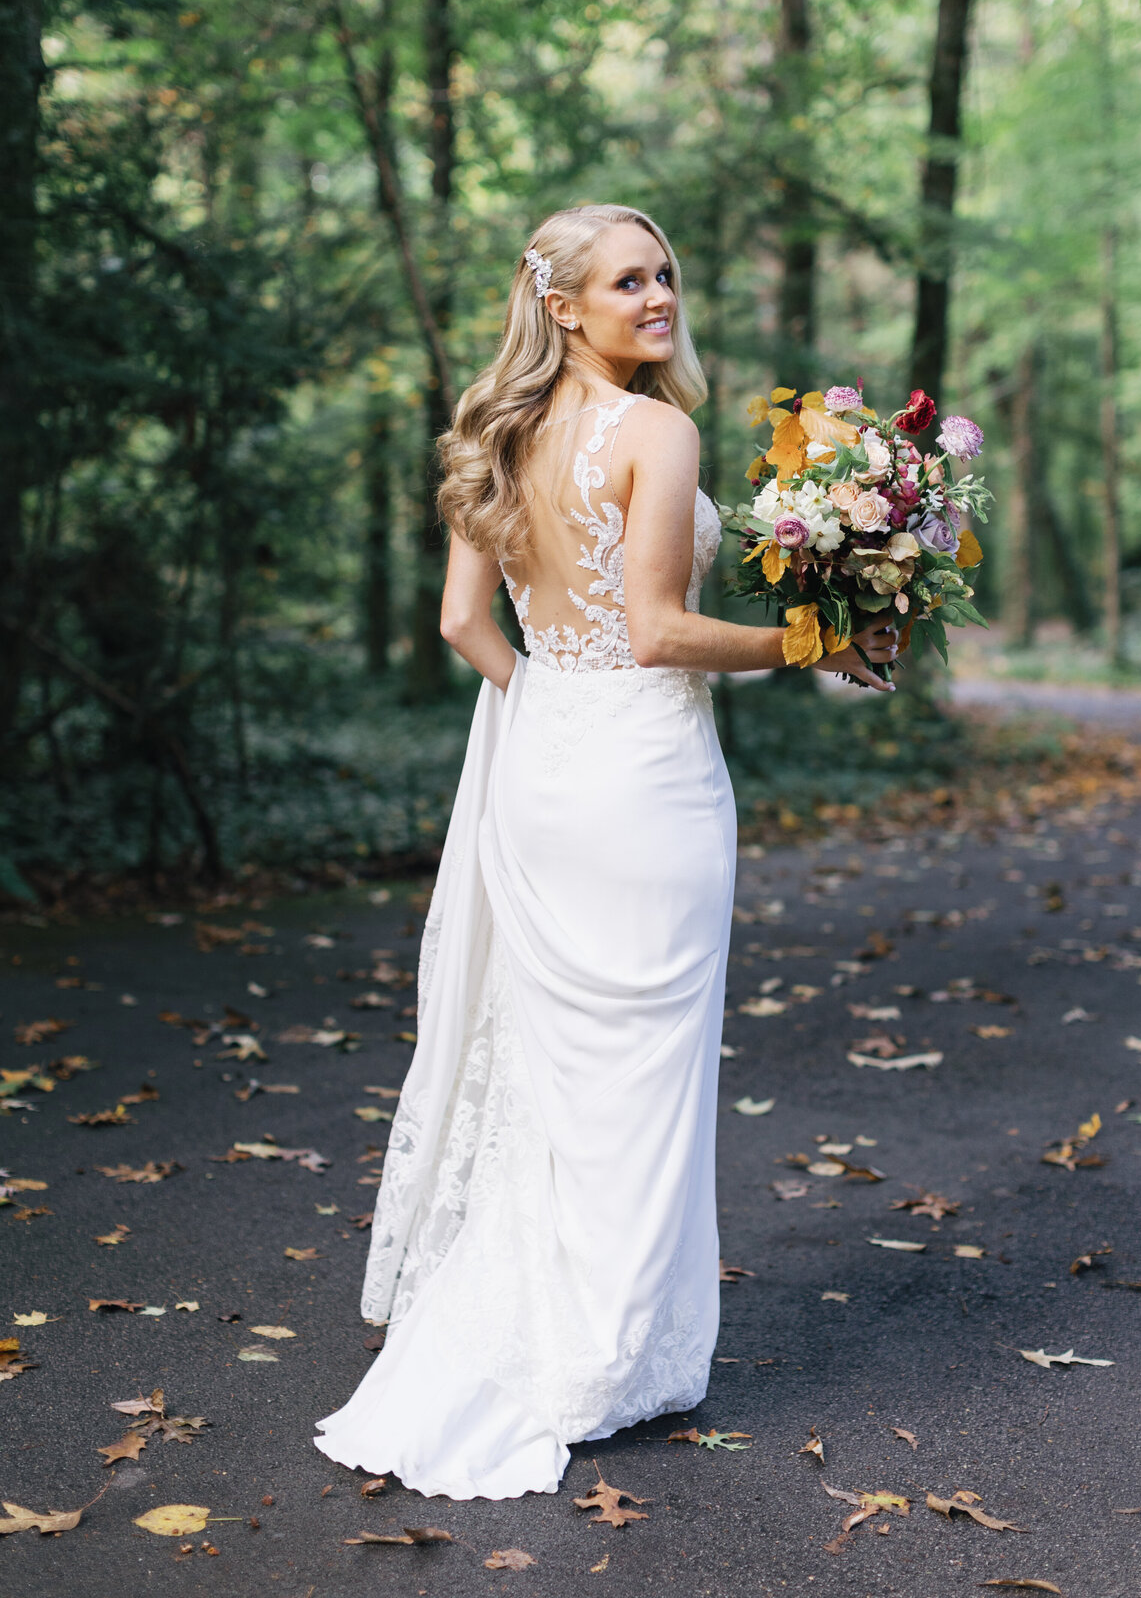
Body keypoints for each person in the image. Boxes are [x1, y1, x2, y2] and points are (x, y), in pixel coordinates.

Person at [313, 202, 897, 1501]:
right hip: (644, 775)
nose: (658, 295)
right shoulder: (659, 432)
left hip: (546, 763)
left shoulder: (495, 431)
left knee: (559, 1068)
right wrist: (818, 645)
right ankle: (609, 1358)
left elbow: (468, 624)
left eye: (667, 273)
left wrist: (551, 704)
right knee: (643, 1070)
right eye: (628, 280)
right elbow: (659, 633)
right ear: (565, 305)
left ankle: (558, 1330)